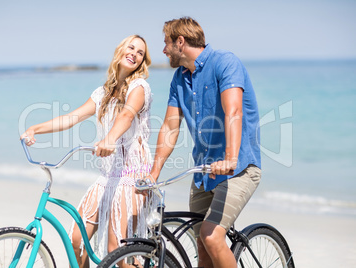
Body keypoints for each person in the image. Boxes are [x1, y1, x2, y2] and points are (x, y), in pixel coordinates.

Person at [20, 34, 152, 267]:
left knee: (117, 252)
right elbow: (73, 117)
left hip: (132, 178)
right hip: (108, 176)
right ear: (120, 50)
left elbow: (127, 114)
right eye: (131, 48)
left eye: (140, 53)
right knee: (76, 241)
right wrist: (35, 129)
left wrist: (110, 138)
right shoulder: (103, 92)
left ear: (142, 62)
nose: (134, 54)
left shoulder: (139, 87)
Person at [149, 17, 262, 267]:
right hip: (204, 171)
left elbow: (233, 112)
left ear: (180, 42)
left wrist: (230, 159)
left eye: (166, 43)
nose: (164, 50)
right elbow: (170, 126)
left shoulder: (225, 62)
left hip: (239, 168)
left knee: (211, 237)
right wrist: (153, 173)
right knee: (200, 243)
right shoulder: (179, 79)